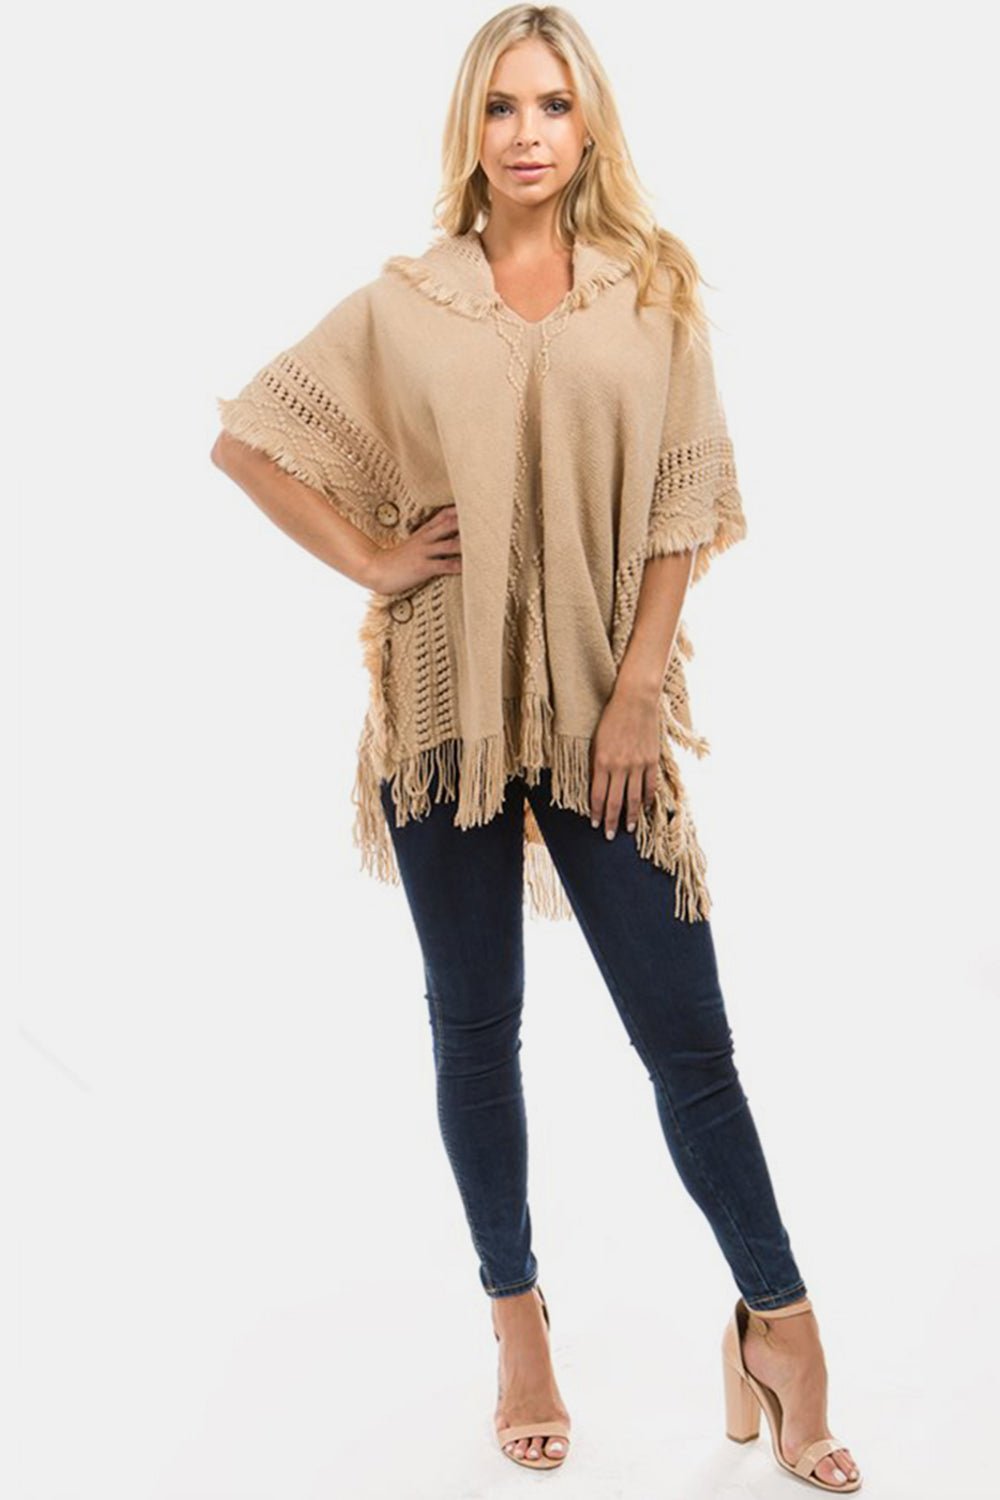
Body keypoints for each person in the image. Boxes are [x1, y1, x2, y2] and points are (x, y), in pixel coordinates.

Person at [210, 5, 861, 1490]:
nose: (526, 132)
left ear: (588, 124)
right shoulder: (409, 302)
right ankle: (519, 1322)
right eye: (502, 106)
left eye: (552, 105)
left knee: (688, 1041)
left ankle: (782, 1327)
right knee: (474, 1027)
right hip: (448, 712)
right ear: (472, 126)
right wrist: (376, 558)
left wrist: (637, 692)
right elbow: (248, 438)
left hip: (599, 715)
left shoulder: (652, 290)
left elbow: (683, 506)